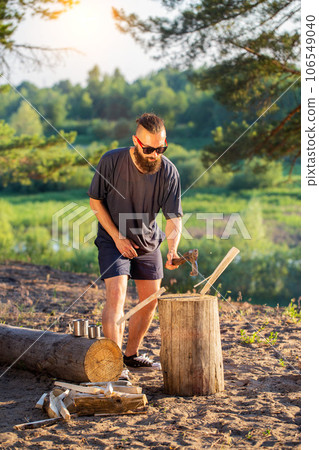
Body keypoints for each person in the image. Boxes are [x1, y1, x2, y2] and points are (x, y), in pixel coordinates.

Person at [88, 113, 183, 369]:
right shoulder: (111, 161)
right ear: (135, 142)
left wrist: (173, 249)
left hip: (148, 240)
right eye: (149, 148)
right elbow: (95, 201)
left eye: (161, 148)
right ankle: (113, 363)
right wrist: (118, 237)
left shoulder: (169, 171)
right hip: (113, 238)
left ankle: (130, 355)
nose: (154, 154)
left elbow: (173, 217)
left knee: (150, 300)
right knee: (117, 295)